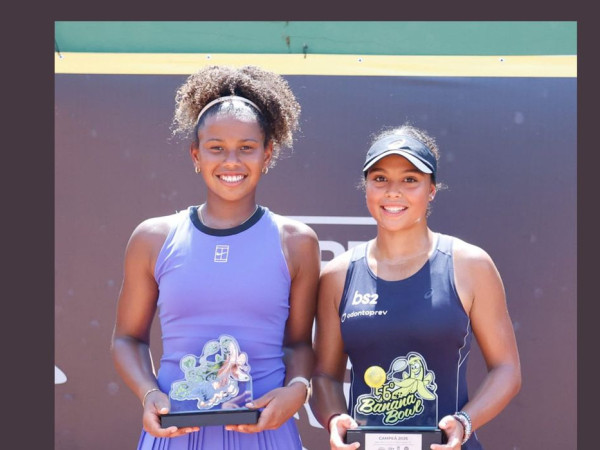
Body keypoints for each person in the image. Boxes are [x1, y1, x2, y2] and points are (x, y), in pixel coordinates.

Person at [111, 65, 320, 450]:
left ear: (267, 154)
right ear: (196, 154)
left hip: (266, 435)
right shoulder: (153, 238)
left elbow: (299, 344)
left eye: (247, 148)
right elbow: (127, 338)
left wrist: (297, 388)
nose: (231, 161)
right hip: (175, 435)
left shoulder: (296, 242)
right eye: (216, 148)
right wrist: (148, 393)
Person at [309, 124, 521, 449]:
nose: (393, 192)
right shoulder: (338, 274)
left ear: (431, 189)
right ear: (366, 187)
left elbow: (506, 370)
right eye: (380, 178)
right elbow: (324, 376)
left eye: (410, 179)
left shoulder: (470, 265)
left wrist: (464, 422)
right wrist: (335, 418)